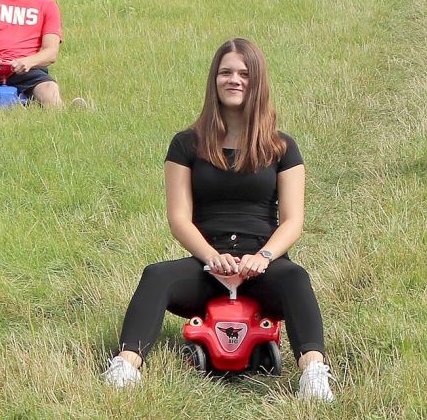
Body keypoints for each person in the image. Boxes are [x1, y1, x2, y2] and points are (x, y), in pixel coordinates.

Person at [102, 38, 335, 401]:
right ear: (214, 80)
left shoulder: (282, 146)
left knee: (296, 277)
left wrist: (264, 258)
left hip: (263, 266)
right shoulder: (186, 144)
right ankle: (126, 365)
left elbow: (293, 221)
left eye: (244, 74)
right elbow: (179, 218)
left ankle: (314, 371)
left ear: (257, 83)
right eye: (226, 72)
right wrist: (211, 257)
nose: (234, 80)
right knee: (156, 275)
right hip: (207, 265)